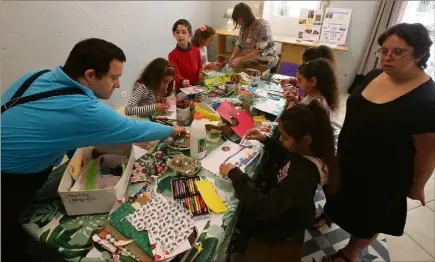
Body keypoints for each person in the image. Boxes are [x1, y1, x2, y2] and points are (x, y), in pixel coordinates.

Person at [1, 38, 185, 261]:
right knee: (11, 238)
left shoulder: (39, 74)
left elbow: (58, 130)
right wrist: (171, 131)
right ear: (90, 75)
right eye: (114, 77)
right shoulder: (83, 108)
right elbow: (130, 128)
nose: (118, 84)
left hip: (16, 162)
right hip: (10, 177)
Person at [319, 23, 435, 262]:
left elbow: (428, 152)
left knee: (368, 217)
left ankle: (350, 253)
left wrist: (418, 185)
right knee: (339, 193)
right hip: (350, 157)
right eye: (384, 50)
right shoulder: (375, 74)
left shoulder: (427, 99)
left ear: (419, 54)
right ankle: (329, 214)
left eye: (398, 52)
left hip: (384, 174)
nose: (387, 58)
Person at [220, 101, 339, 262]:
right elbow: (287, 156)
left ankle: (237, 247)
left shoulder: (302, 175)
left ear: (306, 140)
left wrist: (236, 174)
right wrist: (266, 140)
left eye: (285, 136)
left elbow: (263, 207)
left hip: (281, 224)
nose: (281, 139)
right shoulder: (304, 154)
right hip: (282, 207)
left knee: (236, 211)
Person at [229, 2, 279, 72]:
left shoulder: (262, 26)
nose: (238, 23)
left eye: (238, 20)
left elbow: (259, 51)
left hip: (266, 63)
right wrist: (233, 56)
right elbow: (239, 44)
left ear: (244, 17)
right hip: (251, 62)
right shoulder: (244, 27)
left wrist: (240, 59)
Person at [168, 19, 203, 91]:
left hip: (197, 86)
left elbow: (200, 67)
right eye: (177, 32)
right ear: (174, 34)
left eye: (184, 32)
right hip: (182, 89)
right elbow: (175, 73)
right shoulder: (172, 55)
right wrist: (182, 81)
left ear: (190, 34)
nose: (180, 35)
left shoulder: (196, 50)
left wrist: (201, 73)